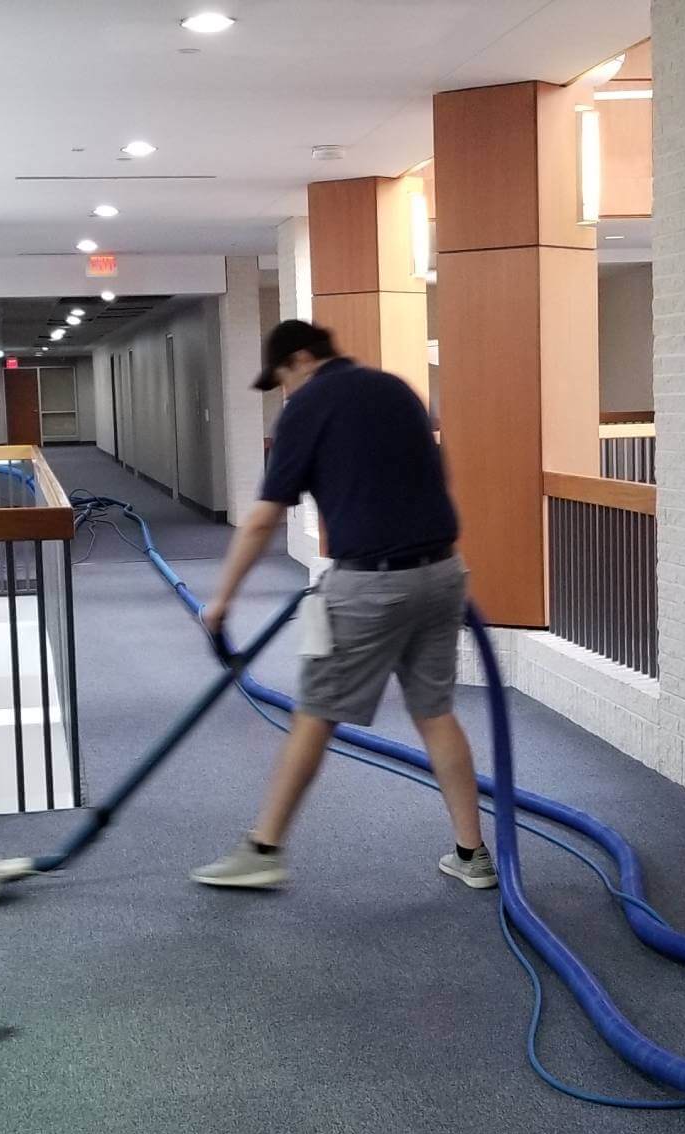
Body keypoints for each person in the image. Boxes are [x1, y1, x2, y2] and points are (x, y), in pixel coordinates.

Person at [191, 320, 496, 892]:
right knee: (434, 712)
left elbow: (262, 518)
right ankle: (471, 853)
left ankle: (263, 848)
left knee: (315, 710)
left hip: (371, 584)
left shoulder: (306, 408)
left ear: (302, 358)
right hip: (442, 574)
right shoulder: (398, 389)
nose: (285, 391)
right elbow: (429, 475)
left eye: (283, 378)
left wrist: (222, 601)